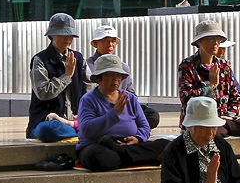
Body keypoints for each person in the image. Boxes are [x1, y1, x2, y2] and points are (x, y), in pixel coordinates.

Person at [75, 54, 166, 171]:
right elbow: (87, 130)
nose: (116, 79)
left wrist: (138, 138)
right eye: (110, 75)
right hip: (99, 146)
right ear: (98, 78)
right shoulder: (88, 99)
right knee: (96, 157)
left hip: (127, 145)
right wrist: (114, 114)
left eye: (118, 76)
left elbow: (144, 126)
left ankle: (123, 153)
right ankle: (143, 158)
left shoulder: (129, 97)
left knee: (165, 145)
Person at [177, 19, 240, 135]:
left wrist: (230, 115)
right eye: (210, 39)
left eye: (218, 39)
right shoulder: (187, 65)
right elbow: (186, 97)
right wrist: (210, 87)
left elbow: (235, 96)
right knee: (214, 132)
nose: (215, 43)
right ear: (198, 42)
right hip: (200, 122)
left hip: (224, 120)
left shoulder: (224, 65)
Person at [27, 13, 91, 142]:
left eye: (70, 34)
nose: (67, 38)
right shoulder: (41, 60)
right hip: (46, 120)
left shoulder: (78, 58)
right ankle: (80, 131)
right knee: (50, 129)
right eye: (62, 34)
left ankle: (77, 128)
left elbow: (90, 90)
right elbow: (43, 93)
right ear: (51, 35)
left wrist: (84, 112)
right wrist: (67, 76)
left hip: (75, 118)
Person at [86, 24, 160, 130]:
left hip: (122, 107)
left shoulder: (123, 67)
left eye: (113, 41)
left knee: (152, 115)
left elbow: (131, 93)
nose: (110, 45)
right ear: (95, 43)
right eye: (105, 41)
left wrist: (124, 105)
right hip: (99, 108)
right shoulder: (87, 66)